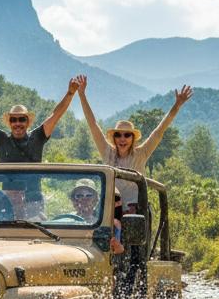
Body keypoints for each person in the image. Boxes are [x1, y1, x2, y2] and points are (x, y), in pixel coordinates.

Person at [0, 78, 79, 219]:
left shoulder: (37, 137)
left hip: (33, 202)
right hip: (7, 202)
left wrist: (70, 94)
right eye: (13, 120)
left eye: (21, 119)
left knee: (36, 229)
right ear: (10, 123)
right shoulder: (1, 140)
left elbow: (55, 115)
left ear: (27, 122)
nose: (17, 123)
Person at [78, 76, 192, 211]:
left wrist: (177, 105)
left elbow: (159, 130)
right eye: (118, 135)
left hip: (136, 211)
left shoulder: (141, 154)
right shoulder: (107, 152)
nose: (122, 139)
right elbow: (93, 125)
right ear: (114, 138)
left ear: (132, 139)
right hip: (111, 211)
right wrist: (82, 95)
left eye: (127, 135)